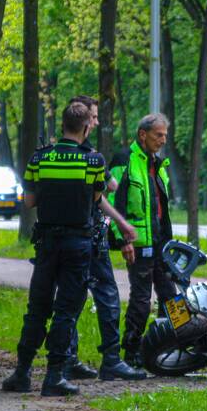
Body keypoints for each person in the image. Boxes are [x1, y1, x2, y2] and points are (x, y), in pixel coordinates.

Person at [0, 102, 104, 397]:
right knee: (66, 311)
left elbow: (29, 202)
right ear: (85, 127)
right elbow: (95, 197)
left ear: (62, 126)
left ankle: (21, 373)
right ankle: (55, 376)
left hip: (46, 243)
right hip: (78, 244)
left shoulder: (39, 159)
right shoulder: (93, 161)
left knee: (37, 308)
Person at [63, 95, 146, 382]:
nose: (97, 122)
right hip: (89, 235)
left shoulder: (54, 151)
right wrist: (122, 225)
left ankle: (67, 359)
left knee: (69, 298)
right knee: (107, 295)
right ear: (84, 122)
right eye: (94, 117)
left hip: (64, 237)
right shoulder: (88, 154)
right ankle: (111, 359)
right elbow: (108, 187)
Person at [109, 113, 177, 368]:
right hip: (138, 245)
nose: (162, 140)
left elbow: (161, 207)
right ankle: (131, 351)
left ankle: (169, 344)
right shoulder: (124, 160)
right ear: (142, 135)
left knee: (171, 296)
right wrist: (122, 240)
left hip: (161, 244)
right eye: (158, 135)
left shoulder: (158, 164)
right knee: (140, 300)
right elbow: (115, 203)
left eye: (165, 136)